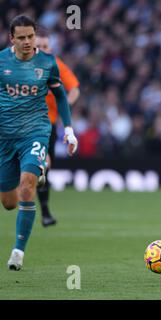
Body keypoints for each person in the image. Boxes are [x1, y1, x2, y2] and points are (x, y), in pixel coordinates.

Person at [0, 15, 78, 270]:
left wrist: (68, 129)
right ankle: (39, 169)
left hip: (35, 131)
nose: (27, 42)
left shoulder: (48, 63)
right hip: (5, 137)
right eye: (21, 37)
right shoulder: (1, 62)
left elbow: (61, 95)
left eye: (30, 37)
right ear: (12, 38)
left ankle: (18, 252)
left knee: (26, 187)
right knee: (9, 202)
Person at [35, 31, 80, 227]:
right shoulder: (17, 64)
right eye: (40, 46)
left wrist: (64, 109)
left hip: (47, 123)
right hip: (22, 123)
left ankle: (44, 211)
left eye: (46, 46)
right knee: (40, 165)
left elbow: (74, 89)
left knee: (44, 168)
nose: (43, 50)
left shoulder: (55, 64)